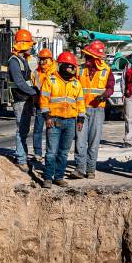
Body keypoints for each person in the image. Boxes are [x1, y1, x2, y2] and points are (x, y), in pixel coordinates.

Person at [40, 51, 85, 188]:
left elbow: (80, 103)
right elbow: (44, 100)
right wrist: (47, 117)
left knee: (63, 152)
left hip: (71, 121)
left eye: (74, 67)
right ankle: (48, 178)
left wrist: (80, 119)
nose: (73, 70)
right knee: (51, 152)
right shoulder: (50, 80)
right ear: (64, 66)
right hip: (54, 120)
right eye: (71, 67)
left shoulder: (76, 84)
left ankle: (58, 177)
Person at [75, 39, 114, 179]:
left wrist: (104, 96)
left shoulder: (107, 71)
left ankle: (90, 170)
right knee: (80, 140)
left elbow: (110, 87)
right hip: (81, 109)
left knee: (94, 141)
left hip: (98, 110)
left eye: (89, 56)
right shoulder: (80, 69)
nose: (86, 59)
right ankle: (80, 169)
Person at [7, 29, 38, 171]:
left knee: (24, 130)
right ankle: (21, 159)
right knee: (21, 130)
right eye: (30, 44)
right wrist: (34, 93)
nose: (31, 47)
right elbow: (20, 83)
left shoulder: (23, 60)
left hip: (26, 99)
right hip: (20, 100)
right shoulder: (14, 61)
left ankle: (23, 156)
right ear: (22, 45)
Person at [31, 48, 56, 162]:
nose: (42, 62)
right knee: (37, 130)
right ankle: (37, 153)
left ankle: (51, 153)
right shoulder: (36, 72)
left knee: (52, 131)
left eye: (44, 60)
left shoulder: (56, 72)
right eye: (40, 59)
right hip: (40, 105)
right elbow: (33, 88)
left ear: (50, 60)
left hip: (53, 105)